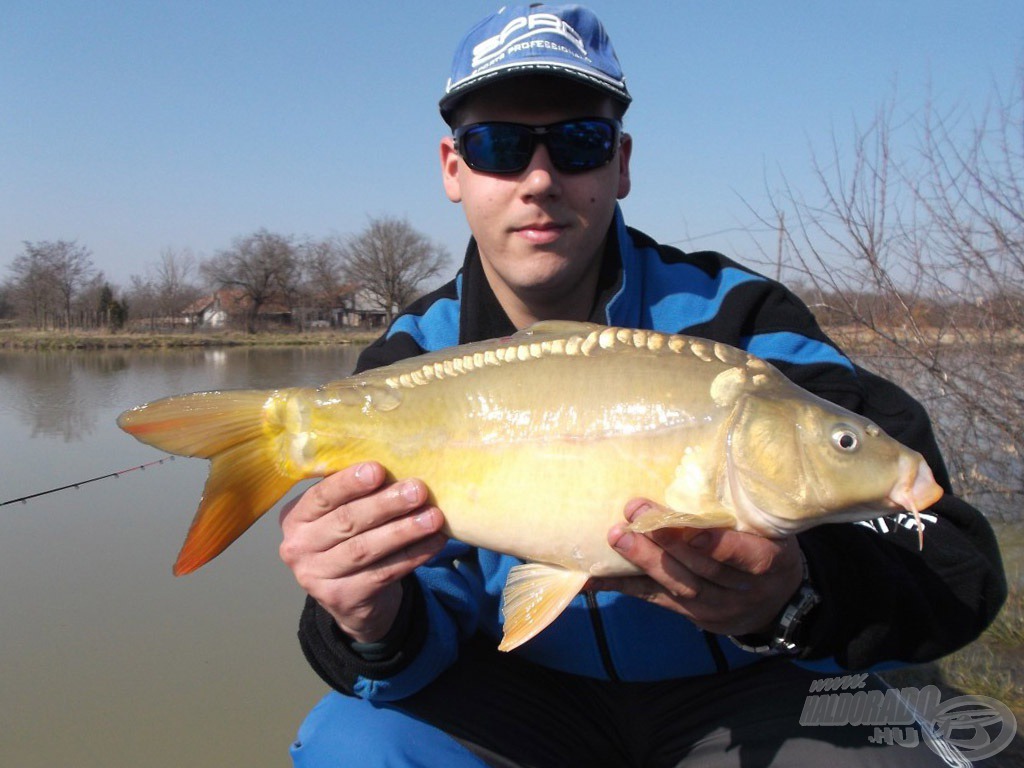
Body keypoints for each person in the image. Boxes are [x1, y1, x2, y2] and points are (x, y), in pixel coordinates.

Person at [279, 6, 1006, 766]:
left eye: (578, 143)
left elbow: (952, 566)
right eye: (498, 146)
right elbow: (411, 627)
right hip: (525, 696)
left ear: (621, 162)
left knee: (889, 748)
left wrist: (796, 594)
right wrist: (373, 617)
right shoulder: (408, 362)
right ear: (452, 169)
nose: (539, 179)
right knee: (353, 742)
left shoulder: (742, 321)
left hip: (755, 686)